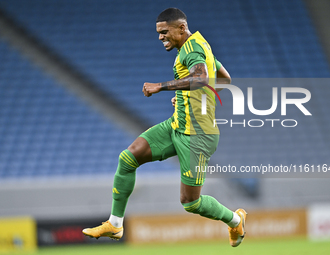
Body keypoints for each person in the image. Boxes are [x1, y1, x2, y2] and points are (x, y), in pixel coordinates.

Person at [82, 7, 247, 247]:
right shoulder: (201, 44)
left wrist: (161, 86)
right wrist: (191, 97)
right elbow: (224, 78)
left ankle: (235, 220)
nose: (160, 37)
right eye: (158, 33)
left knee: (191, 203)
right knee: (128, 158)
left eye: (164, 31)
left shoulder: (194, 49)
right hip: (177, 125)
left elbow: (201, 78)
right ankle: (115, 225)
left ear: (181, 28)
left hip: (197, 136)